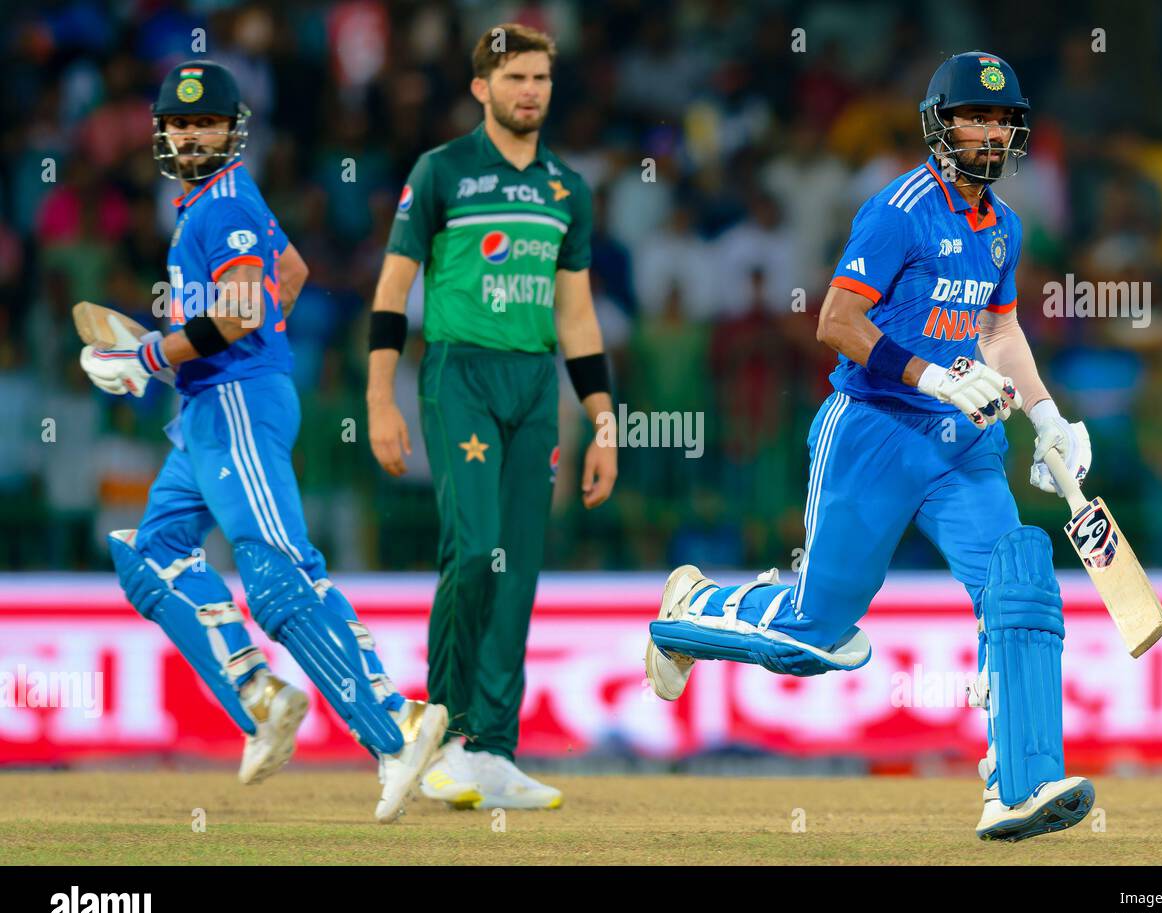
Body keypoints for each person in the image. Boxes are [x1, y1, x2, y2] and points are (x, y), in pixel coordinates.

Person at [645, 52, 1096, 842]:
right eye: (974, 118)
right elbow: (837, 323)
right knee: (817, 639)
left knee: (1020, 586)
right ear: (939, 125)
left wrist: (1047, 415)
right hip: (875, 434)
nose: (991, 133)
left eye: (1003, 120)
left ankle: (1020, 783)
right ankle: (692, 611)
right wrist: (933, 377)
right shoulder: (899, 211)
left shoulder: (1006, 228)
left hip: (964, 446)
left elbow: (998, 330)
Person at [80, 60, 446, 824]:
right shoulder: (210, 205)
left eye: (204, 122)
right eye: (178, 125)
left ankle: (397, 725)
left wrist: (150, 355)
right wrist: (197, 348)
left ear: (233, 129)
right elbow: (292, 270)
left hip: (235, 400)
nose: (190, 135)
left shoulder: (223, 202)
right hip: (209, 411)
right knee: (151, 558)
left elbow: (244, 310)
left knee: (277, 577)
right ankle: (257, 690)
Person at [366, 25, 617, 810]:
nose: (530, 91)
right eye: (514, 78)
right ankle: (441, 731)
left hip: (533, 384)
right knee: (474, 552)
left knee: (518, 566)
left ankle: (493, 752)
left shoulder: (565, 188)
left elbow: (576, 316)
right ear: (481, 88)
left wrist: (603, 422)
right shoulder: (441, 172)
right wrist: (378, 400)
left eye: (541, 77)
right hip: (459, 375)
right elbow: (391, 289)